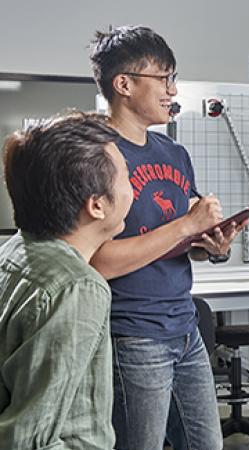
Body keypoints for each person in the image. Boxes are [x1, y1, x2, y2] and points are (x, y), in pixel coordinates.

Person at [88, 26, 244, 450]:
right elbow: (96, 261)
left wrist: (212, 245)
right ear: (124, 84)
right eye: (163, 79)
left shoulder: (174, 153)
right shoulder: (95, 156)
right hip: (132, 334)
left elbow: (179, 241)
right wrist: (187, 226)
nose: (173, 90)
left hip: (185, 327)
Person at [0, 111, 133, 449]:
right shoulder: (77, 288)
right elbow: (29, 440)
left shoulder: (15, 252)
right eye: (127, 177)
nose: (134, 191)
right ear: (97, 206)